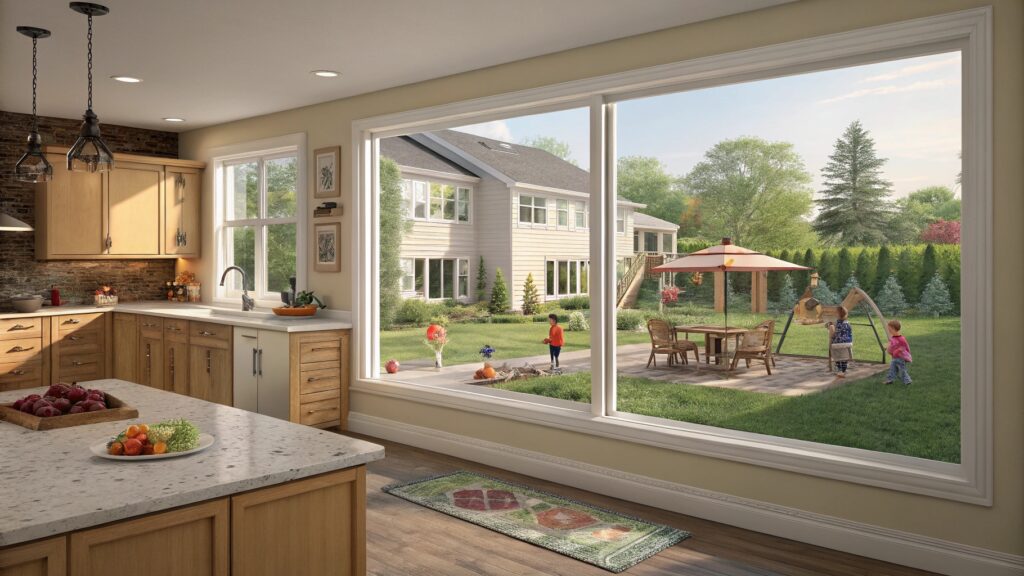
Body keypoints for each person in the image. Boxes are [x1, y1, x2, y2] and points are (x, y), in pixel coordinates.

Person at [885, 319, 912, 385]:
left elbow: (904, 347)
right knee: (892, 368)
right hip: (894, 358)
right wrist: (888, 348)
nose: (889, 330)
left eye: (890, 329)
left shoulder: (901, 339)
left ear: (894, 328)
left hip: (900, 358)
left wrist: (897, 351)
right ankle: (890, 380)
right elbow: (892, 344)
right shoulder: (893, 337)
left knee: (902, 370)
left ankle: (907, 381)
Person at [828, 306, 853, 377]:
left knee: (838, 358)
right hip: (847, 343)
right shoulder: (848, 323)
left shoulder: (835, 324)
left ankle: (840, 370)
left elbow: (832, 334)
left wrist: (830, 327)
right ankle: (844, 370)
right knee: (844, 358)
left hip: (837, 343)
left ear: (837, 314)